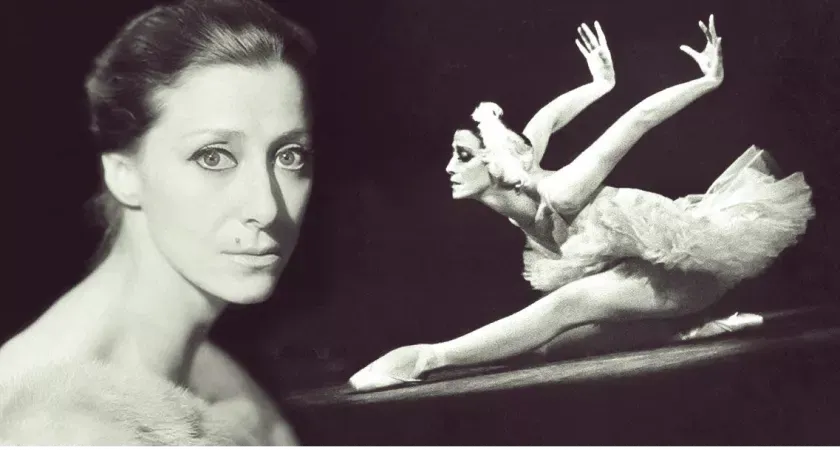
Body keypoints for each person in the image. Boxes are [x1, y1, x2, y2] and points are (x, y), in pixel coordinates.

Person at [348, 16, 815, 392]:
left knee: (564, 305)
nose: (450, 165)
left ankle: (425, 358)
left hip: (689, 274)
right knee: (551, 347)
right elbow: (549, 116)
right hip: (644, 280)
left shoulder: (562, 191)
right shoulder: (520, 169)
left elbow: (638, 119)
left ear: (495, 164)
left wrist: (707, 81)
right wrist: (599, 84)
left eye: (463, 154)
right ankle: (690, 330)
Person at [0, 0, 317, 446]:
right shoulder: (59, 423)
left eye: (289, 155)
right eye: (213, 157)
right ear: (124, 175)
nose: (267, 209)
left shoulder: (208, 371)